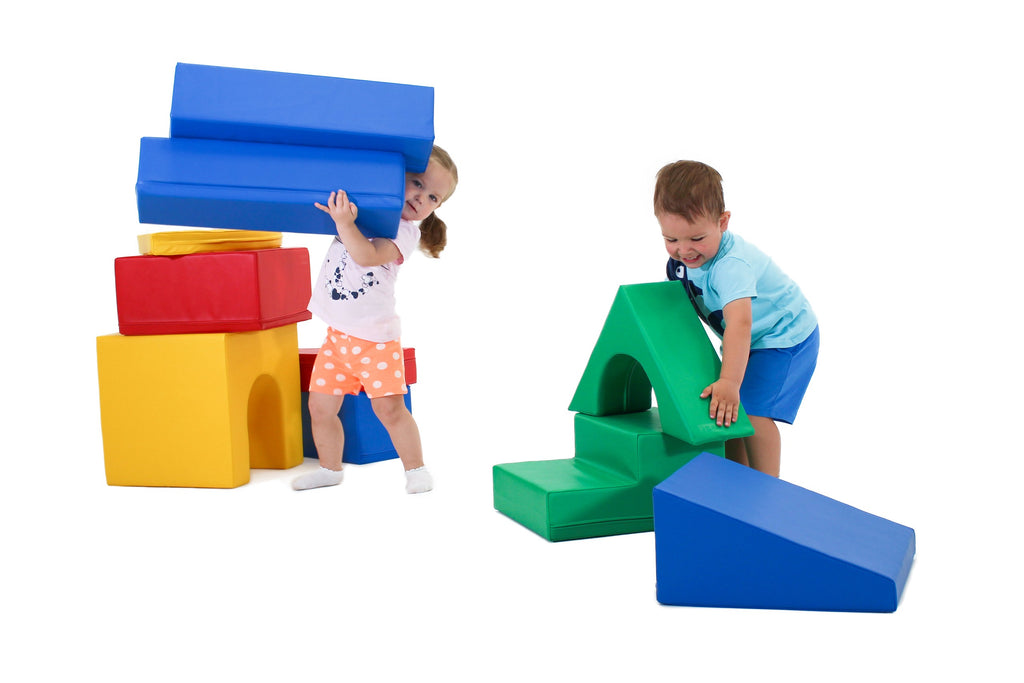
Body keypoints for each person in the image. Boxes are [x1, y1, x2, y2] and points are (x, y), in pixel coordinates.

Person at [292, 146, 458, 493]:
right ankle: (330, 469)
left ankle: (416, 470)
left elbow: (366, 255)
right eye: (416, 183)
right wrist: (344, 215)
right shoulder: (364, 211)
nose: (420, 197)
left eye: (432, 197)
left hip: (375, 341)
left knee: (390, 410)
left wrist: (344, 223)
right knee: (319, 408)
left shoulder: (405, 232)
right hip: (337, 338)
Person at [655, 160, 818, 477]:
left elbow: (741, 325)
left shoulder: (731, 266)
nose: (684, 250)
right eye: (671, 240)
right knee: (725, 411)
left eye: (696, 238)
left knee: (752, 411)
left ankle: (767, 486)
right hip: (748, 339)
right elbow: (673, 309)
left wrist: (730, 381)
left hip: (784, 337)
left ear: (723, 222)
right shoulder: (679, 265)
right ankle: (736, 481)